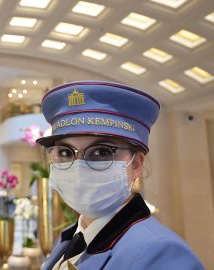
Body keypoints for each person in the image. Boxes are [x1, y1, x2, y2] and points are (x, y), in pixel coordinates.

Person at [36, 81, 204, 270]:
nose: (78, 167)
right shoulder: (70, 237)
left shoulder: (161, 253)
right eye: (65, 152)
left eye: (101, 152)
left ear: (137, 164)